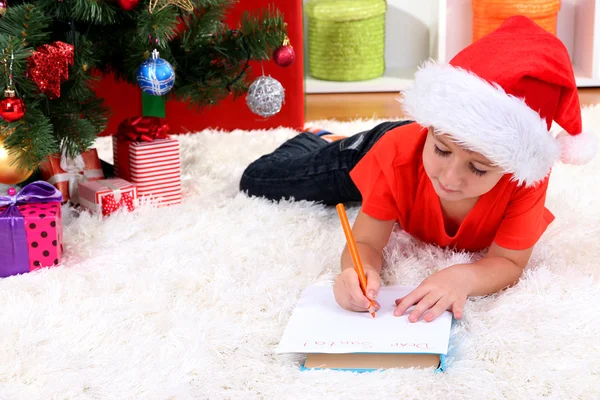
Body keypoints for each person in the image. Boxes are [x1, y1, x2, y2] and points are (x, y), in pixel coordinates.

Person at [239, 16, 597, 322]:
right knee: (259, 179)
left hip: (411, 155)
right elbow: (364, 240)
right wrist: (357, 269)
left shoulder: (526, 180)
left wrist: (464, 278)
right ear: (431, 130)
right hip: (383, 146)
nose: (450, 177)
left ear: (513, 168)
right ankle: (320, 140)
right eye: (442, 149)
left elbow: (508, 262)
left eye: (478, 169)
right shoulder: (397, 158)